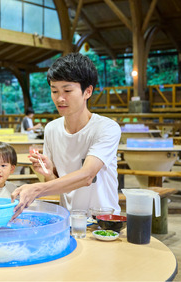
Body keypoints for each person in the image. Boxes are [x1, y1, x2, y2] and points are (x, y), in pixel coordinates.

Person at [11, 53, 121, 218]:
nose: (60, 98)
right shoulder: (51, 129)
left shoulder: (106, 128)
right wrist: (48, 173)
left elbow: (87, 176)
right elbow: (54, 184)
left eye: (67, 90)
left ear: (87, 91)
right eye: (54, 91)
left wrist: (36, 189)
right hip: (68, 220)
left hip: (103, 221)